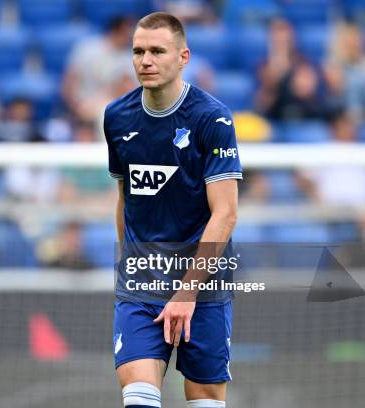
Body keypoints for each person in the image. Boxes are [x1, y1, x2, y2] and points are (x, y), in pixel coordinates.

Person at [104, 13, 241, 408]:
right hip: (142, 281)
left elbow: (226, 214)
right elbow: (124, 196)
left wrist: (187, 290)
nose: (145, 60)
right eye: (138, 51)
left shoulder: (211, 118)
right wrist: (128, 262)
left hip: (203, 282)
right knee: (140, 398)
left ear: (183, 57)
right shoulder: (117, 117)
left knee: (204, 399)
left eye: (157, 51)